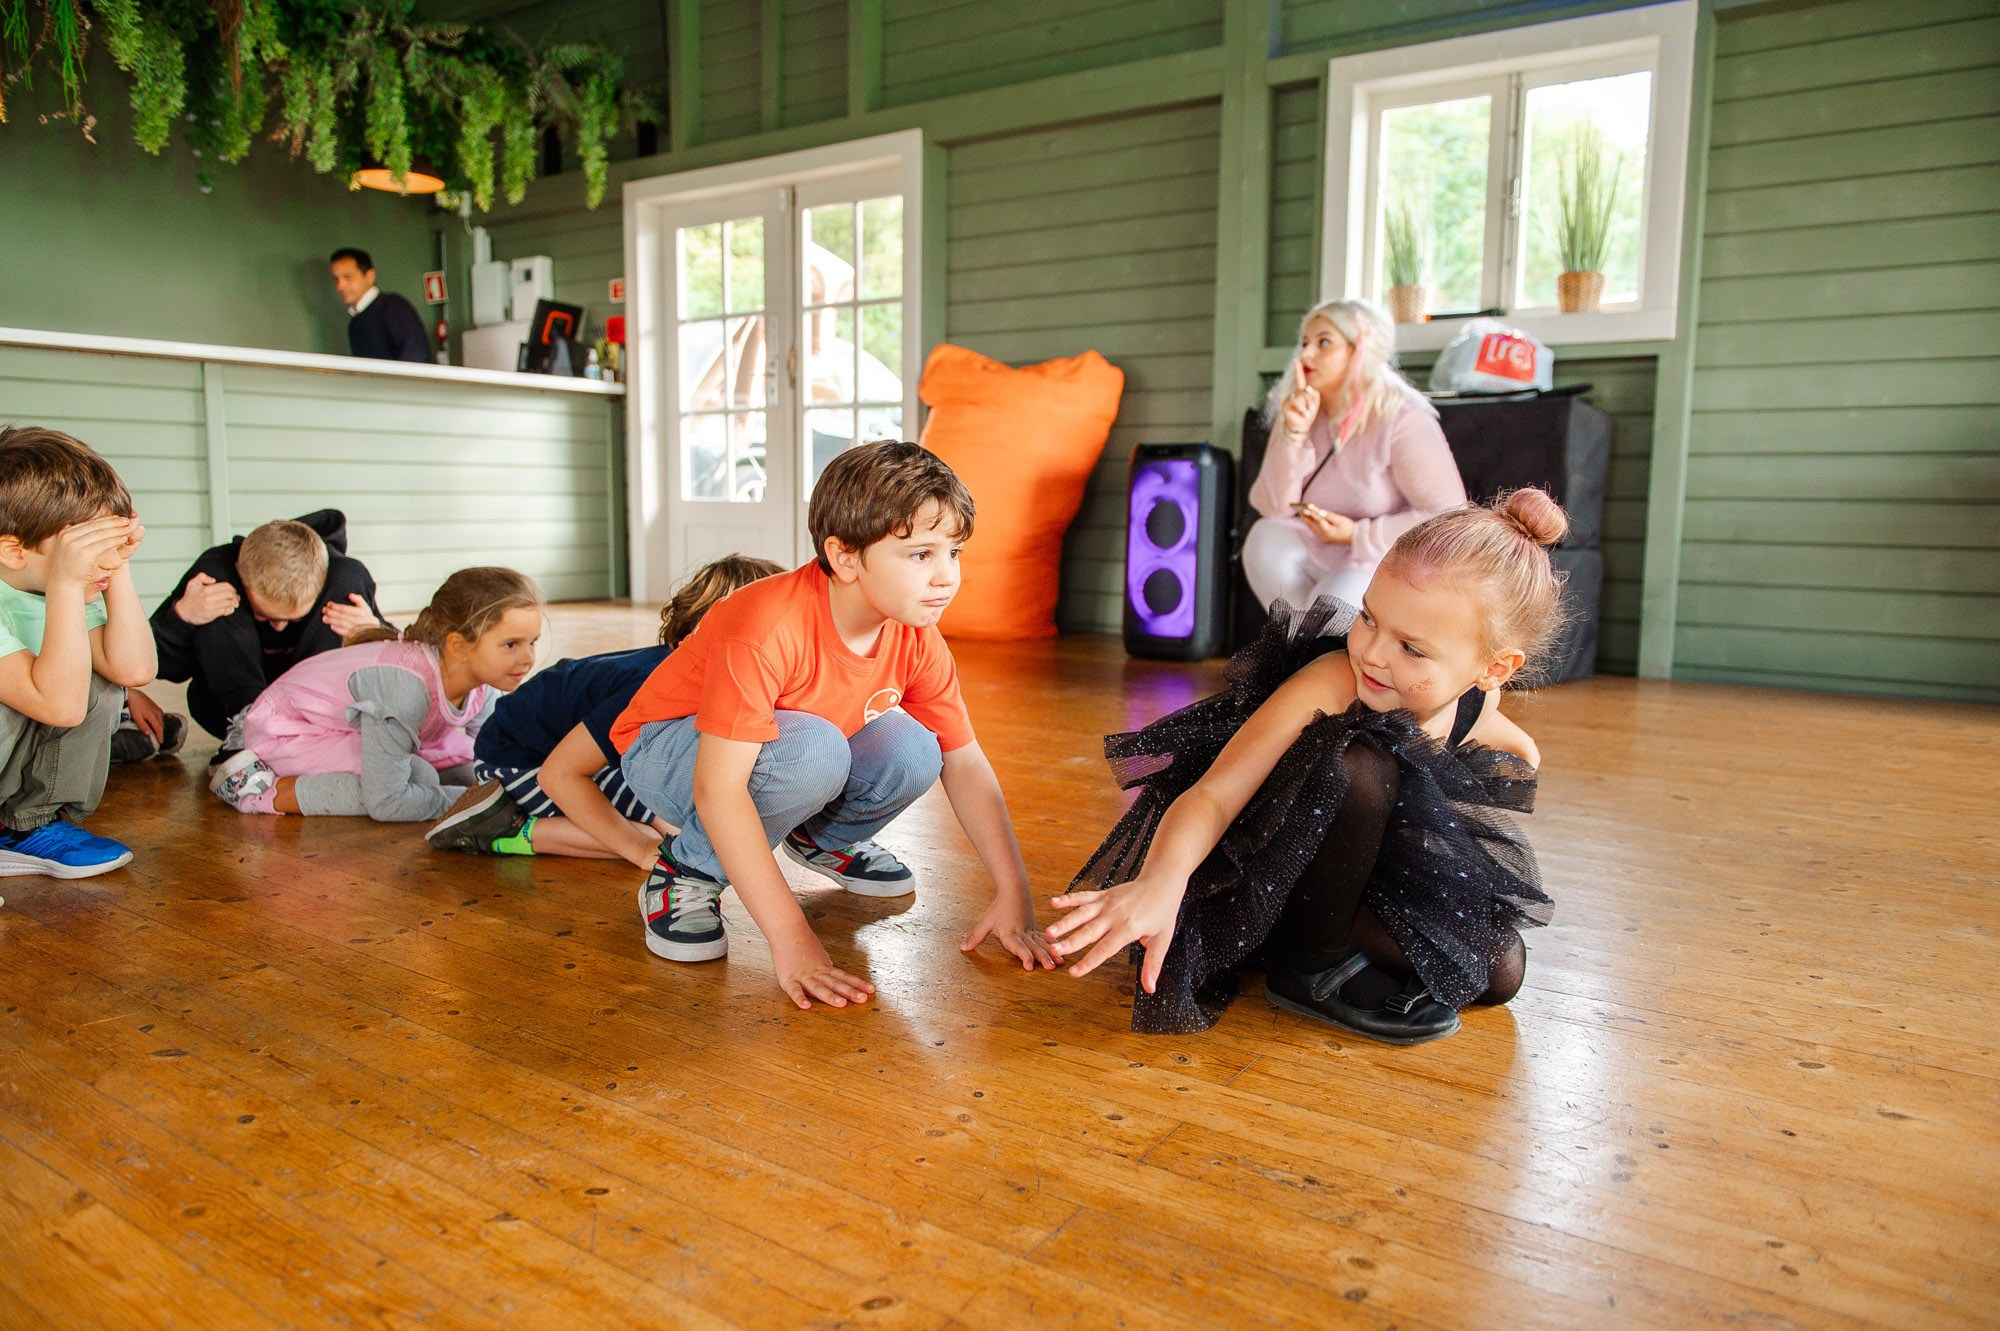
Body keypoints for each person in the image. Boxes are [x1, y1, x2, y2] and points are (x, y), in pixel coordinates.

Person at [1049, 489, 1569, 1044]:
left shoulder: (1474, 700)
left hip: (1349, 873)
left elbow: (1515, 747)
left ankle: (1334, 934)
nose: (1371, 652)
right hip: (1260, 868)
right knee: (1361, 761)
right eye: (1369, 617)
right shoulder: (1332, 681)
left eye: (1411, 649)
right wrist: (1161, 881)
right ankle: (1308, 967)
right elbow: (1214, 796)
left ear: (1492, 669)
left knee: (1498, 968)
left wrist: (1518, 766)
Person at [610, 440, 1057, 1010]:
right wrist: (793, 939)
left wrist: (1013, 891)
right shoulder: (767, 623)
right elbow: (716, 788)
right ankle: (686, 867)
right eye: (920, 555)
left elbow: (964, 760)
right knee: (815, 752)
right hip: (667, 750)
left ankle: (820, 837)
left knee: (917, 747)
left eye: (954, 552)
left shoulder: (916, 632)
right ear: (845, 558)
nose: (946, 576)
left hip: (787, 745)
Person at [426, 553, 786, 865]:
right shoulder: (655, 689)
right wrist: (639, 849)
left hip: (584, 754)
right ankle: (502, 830)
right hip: (518, 758)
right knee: (640, 837)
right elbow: (559, 776)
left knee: (665, 823)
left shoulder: (702, 680)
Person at [208, 567, 542, 823]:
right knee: (415, 778)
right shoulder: (405, 692)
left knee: (461, 765)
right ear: (458, 646)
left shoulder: (482, 683)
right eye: (511, 645)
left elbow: (499, 752)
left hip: (351, 727)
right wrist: (473, 802)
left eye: (532, 642)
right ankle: (262, 792)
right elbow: (387, 804)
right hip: (288, 730)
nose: (527, 658)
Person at [0, 427, 157, 879]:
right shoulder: (59, 588)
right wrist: (69, 582)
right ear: (14, 551)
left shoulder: (46, 589)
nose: (104, 558)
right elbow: (60, 707)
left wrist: (116, 566)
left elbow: (134, 669)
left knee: (100, 683)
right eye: (85, 547)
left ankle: (25, 828)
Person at [1243, 297, 1468, 612]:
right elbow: (1274, 507)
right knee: (1265, 536)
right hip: (1316, 547)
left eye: (1324, 343)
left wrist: (1357, 534)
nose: (1306, 354)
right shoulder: (1302, 407)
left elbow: (1448, 514)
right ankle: (1306, 650)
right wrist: (1293, 433)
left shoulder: (1403, 417)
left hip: (1377, 558)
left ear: (1359, 350)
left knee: (1333, 605)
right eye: (1305, 342)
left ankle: (1315, 651)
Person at [147, 510, 387, 747]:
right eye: (263, 614)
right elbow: (156, 667)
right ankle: (249, 725)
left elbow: (404, 661)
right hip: (228, 709)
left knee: (348, 579)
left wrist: (373, 631)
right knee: (216, 584)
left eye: (292, 619)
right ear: (240, 570)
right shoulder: (215, 571)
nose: (279, 627)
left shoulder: (343, 578)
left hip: (317, 713)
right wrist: (182, 616)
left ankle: (312, 725)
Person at [330, 247, 432, 364]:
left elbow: (416, 356)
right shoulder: (355, 324)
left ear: (370, 276)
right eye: (336, 279)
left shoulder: (393, 307)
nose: (340, 286)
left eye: (348, 277)